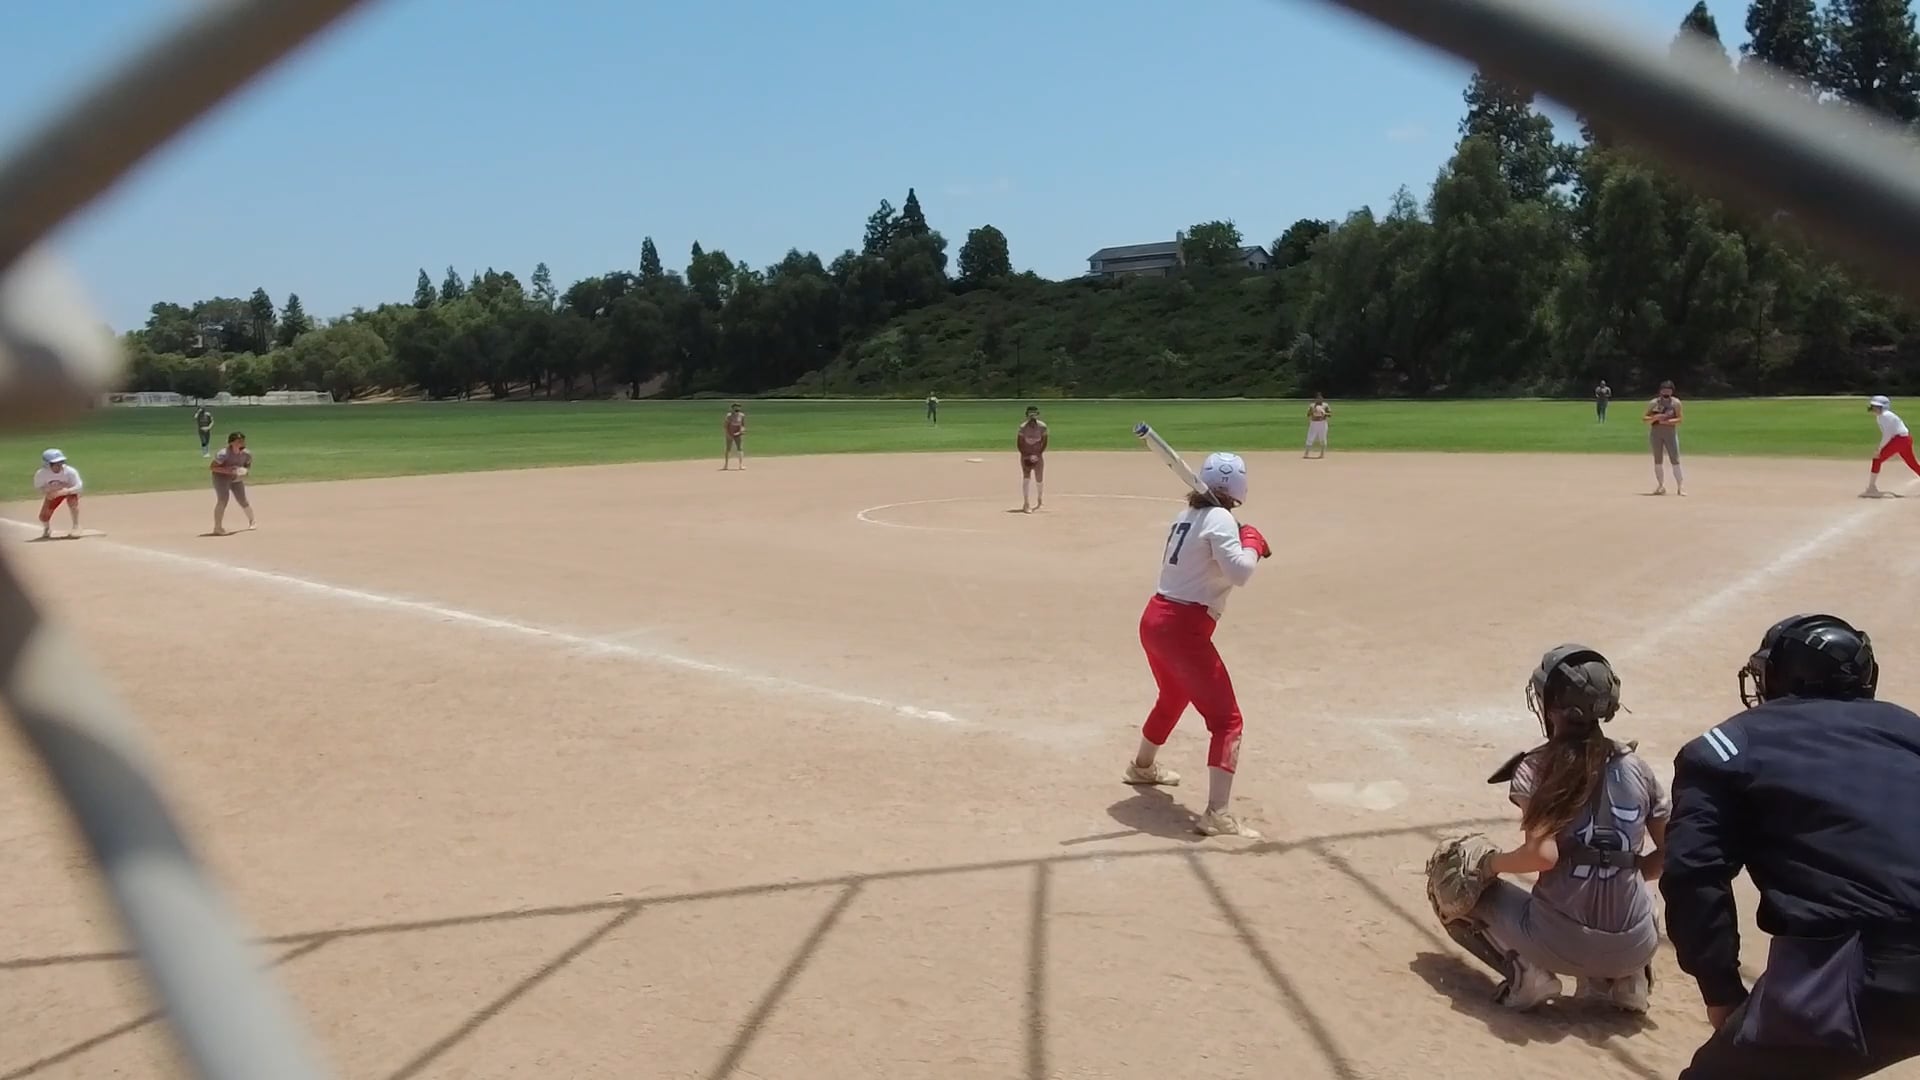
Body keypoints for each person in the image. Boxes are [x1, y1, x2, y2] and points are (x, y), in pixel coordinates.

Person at [1663, 614, 1920, 1078]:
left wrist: (1720, 991)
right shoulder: (1910, 732)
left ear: (1778, 676)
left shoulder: (1727, 749)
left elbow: (1693, 875)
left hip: (1857, 976)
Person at [1436, 646, 1668, 1013]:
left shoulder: (1536, 767)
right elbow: (1673, 852)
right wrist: (1625, 870)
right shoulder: (1637, 768)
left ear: (1554, 705)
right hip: (1635, 945)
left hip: (1560, 944)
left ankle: (1527, 973)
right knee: (1637, 891)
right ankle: (1628, 979)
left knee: (1455, 874)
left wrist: (1488, 864)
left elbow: (1542, 856)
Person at [1121, 452, 1272, 839]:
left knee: (1173, 695)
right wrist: (1252, 544)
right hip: (1183, 628)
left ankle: (1142, 766)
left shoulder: (1187, 515)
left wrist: (1243, 541)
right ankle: (1217, 813)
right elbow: (1240, 573)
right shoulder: (1218, 518)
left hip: (1156, 619)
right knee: (1227, 721)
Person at [1862, 395, 1920, 498]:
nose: (1874, 408)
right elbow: (1889, 434)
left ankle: (1871, 488)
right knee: (1912, 463)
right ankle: (1871, 487)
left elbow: (1887, 434)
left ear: (1883, 407)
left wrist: (1879, 448)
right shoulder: (1882, 416)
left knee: (1877, 459)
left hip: (1900, 440)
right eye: (1873, 406)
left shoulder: (1885, 416)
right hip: (1904, 439)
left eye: (1877, 406)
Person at [1644, 380, 1685, 496]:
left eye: (1668, 391)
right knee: (1658, 460)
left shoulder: (1676, 403)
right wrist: (1656, 418)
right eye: (1664, 391)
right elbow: (1645, 418)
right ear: (1660, 391)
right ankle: (1660, 485)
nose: (1666, 393)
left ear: (1672, 392)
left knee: (1675, 460)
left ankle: (1680, 487)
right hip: (1656, 434)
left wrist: (1667, 421)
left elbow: (1680, 419)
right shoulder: (1654, 403)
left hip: (1670, 433)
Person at [210, 431, 255, 535]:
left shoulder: (247, 454)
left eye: (242, 441)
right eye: (238, 441)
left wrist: (244, 471)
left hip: (236, 478)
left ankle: (252, 521)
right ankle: (217, 528)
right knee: (223, 500)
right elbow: (212, 467)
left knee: (242, 500)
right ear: (231, 443)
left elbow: (247, 465)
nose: (241, 443)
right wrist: (229, 470)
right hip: (221, 478)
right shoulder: (223, 454)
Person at [32, 448, 83, 540]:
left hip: (69, 490)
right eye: (55, 463)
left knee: (73, 502)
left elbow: (79, 486)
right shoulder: (41, 474)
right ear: (47, 464)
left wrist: (66, 491)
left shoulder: (70, 471)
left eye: (61, 462)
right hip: (54, 493)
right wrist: (47, 492)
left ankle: (76, 526)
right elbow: (39, 487)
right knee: (43, 516)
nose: (59, 465)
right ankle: (47, 529)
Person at [1017, 406, 1048, 513]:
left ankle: (1040, 499)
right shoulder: (1023, 427)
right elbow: (1019, 443)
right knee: (1026, 477)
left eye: (1034, 414)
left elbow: (1044, 442)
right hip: (1026, 455)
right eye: (1030, 414)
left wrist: (1038, 454)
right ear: (1027, 415)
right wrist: (1026, 456)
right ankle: (1026, 503)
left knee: (1039, 478)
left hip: (1037, 455)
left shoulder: (1042, 427)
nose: (1032, 417)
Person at [1305, 394, 1332, 459]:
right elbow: (1308, 414)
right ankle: (1306, 453)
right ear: (1315, 399)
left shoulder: (1325, 405)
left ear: (1322, 399)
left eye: (1320, 398)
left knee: (1323, 438)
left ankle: (1322, 454)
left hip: (1322, 423)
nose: (1319, 400)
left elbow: (1330, 414)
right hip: (1313, 423)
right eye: (1318, 398)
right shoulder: (1312, 405)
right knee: (1310, 437)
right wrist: (1313, 412)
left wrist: (1324, 413)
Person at [722, 404, 747, 471]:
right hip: (730, 433)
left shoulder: (742, 415)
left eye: (738, 409)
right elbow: (725, 426)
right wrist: (728, 434)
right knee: (728, 448)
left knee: (740, 448)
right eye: (735, 409)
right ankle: (726, 465)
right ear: (732, 409)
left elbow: (743, 425)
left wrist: (741, 431)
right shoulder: (729, 416)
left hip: (738, 433)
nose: (736, 411)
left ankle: (741, 465)